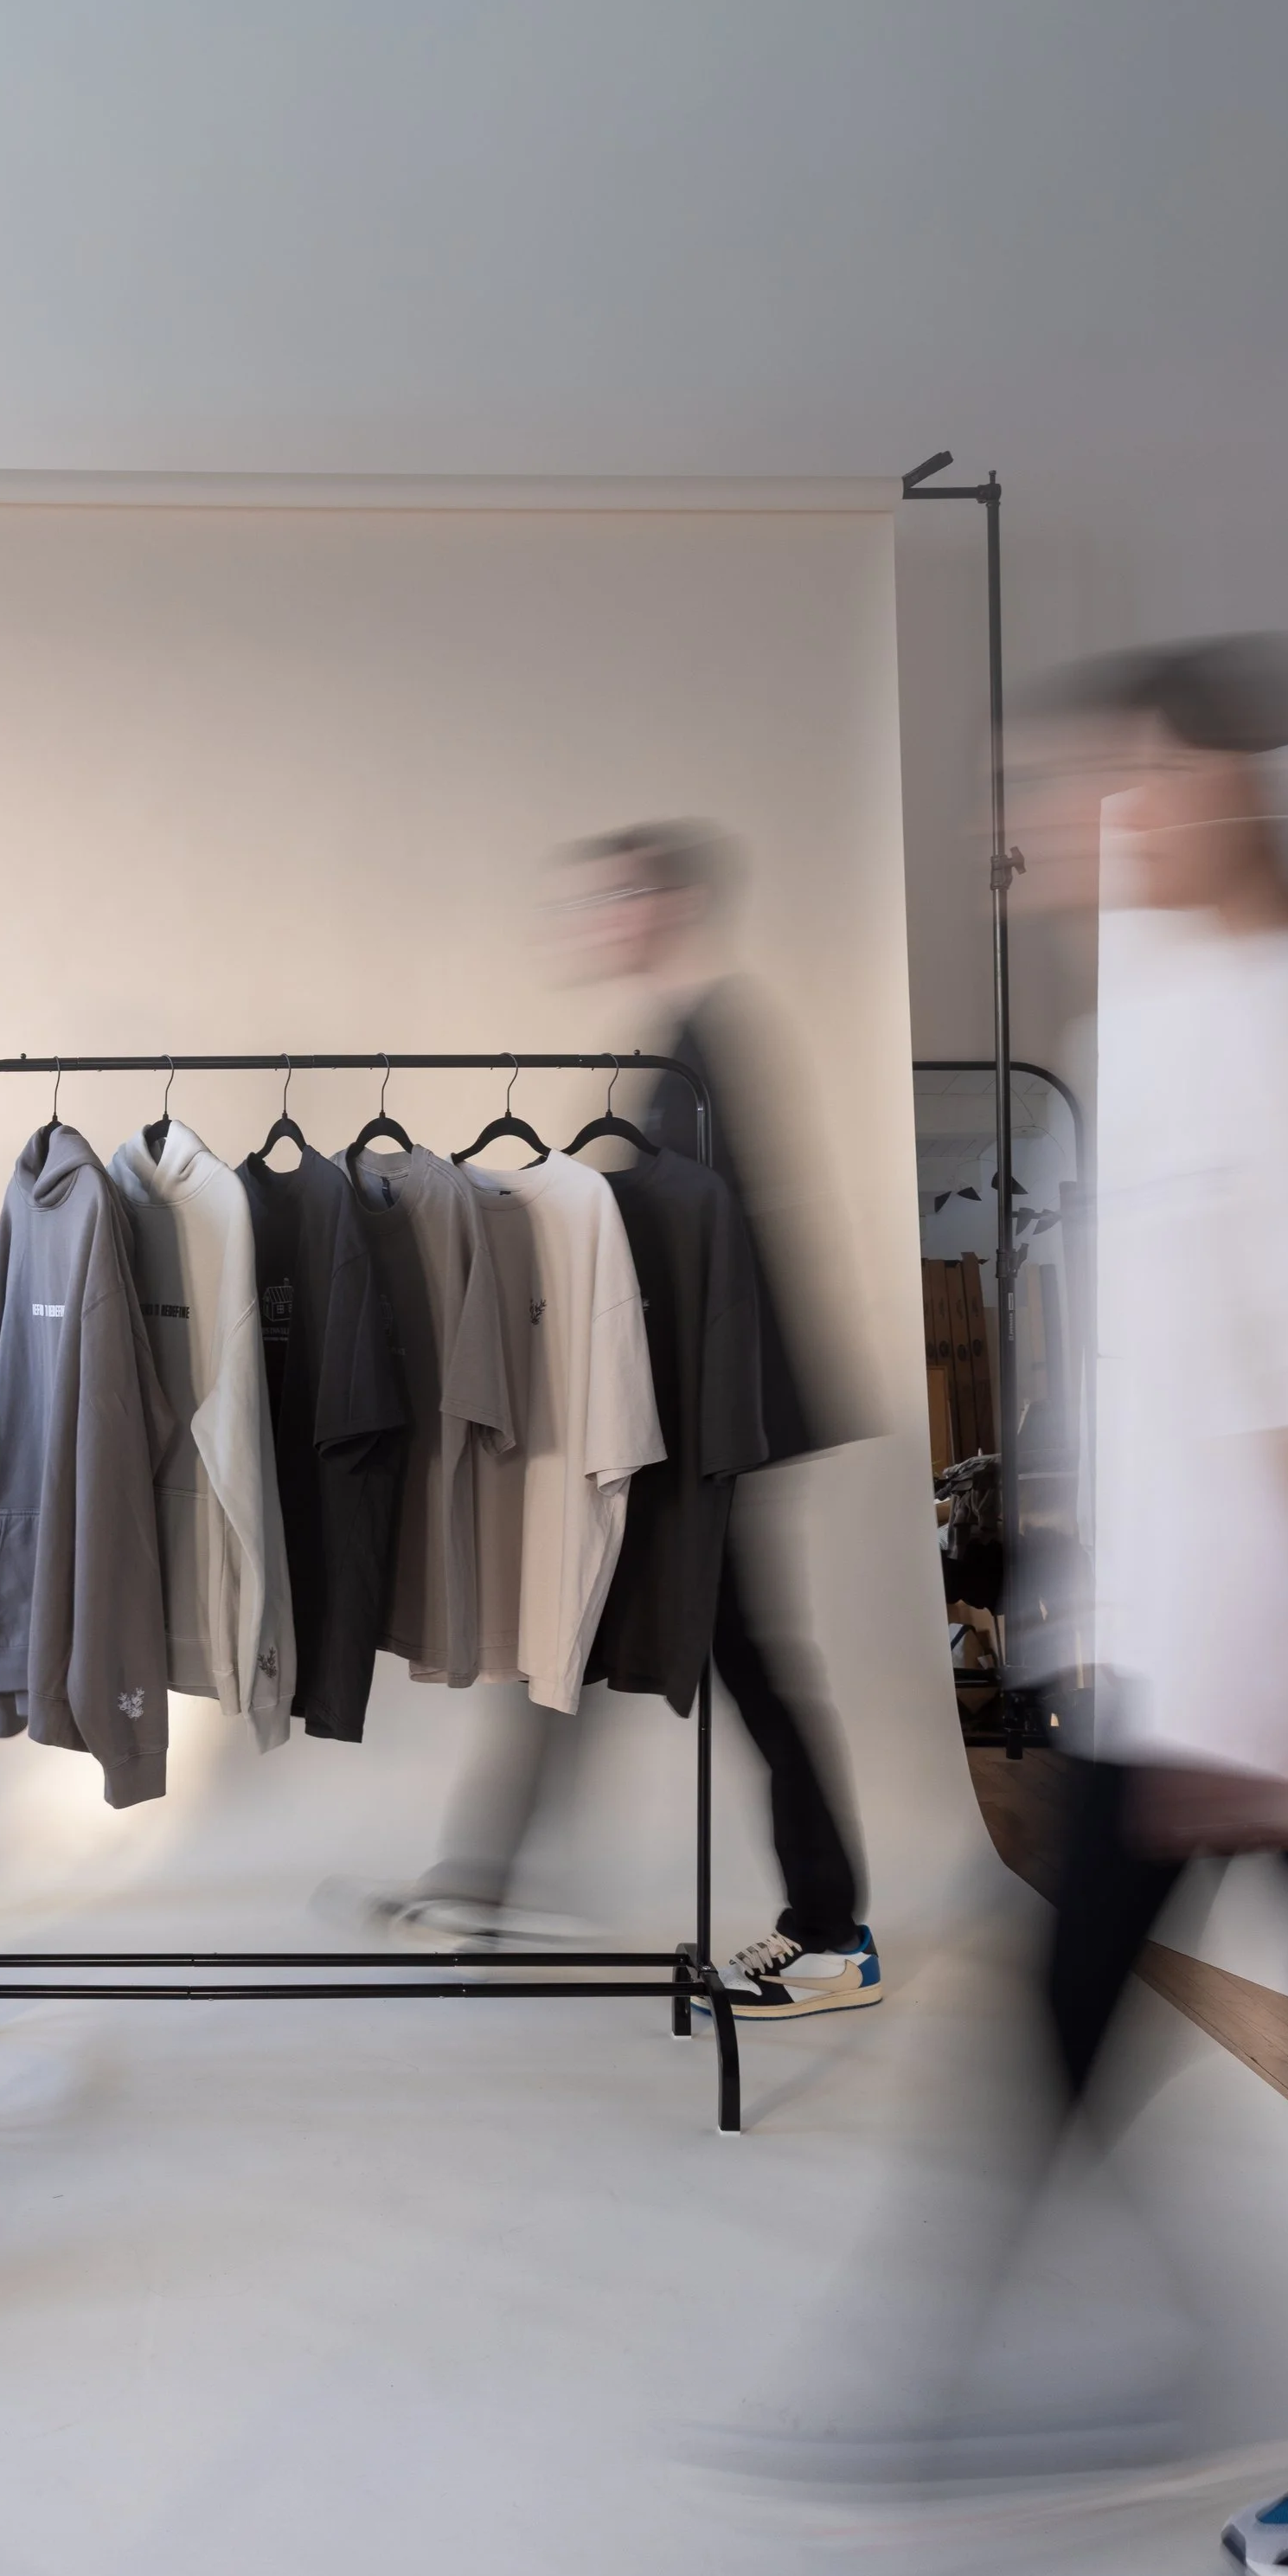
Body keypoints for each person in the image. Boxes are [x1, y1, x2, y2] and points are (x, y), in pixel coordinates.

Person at [1026, 638, 1288, 2576]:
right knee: (1056, 2016)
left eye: (1117, 785)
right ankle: (986, 2372)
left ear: (1223, 794)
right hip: (1181, 1673)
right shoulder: (1159, 1020)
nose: (1077, 823)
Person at [395, 823, 878, 2013]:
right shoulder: (679, 1048)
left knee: (717, 1658)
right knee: (613, 1626)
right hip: (691, 1418)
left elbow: (711, 1255)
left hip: (708, 1426)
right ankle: (490, 1878)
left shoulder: (704, 1050)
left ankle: (830, 1930)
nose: (592, 924)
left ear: (661, 903)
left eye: (608, 901)